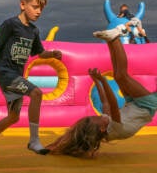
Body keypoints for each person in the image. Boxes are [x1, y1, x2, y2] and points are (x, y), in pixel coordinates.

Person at [46, 28, 157, 158]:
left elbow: (105, 102)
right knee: (121, 76)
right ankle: (115, 38)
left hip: (132, 104)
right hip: (146, 106)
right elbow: (113, 104)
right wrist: (103, 80)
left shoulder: (105, 124)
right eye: (99, 118)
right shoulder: (115, 129)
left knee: (117, 76)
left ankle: (110, 41)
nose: (100, 115)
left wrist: (96, 81)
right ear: (102, 128)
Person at [0, 0, 62, 157]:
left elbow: (39, 53)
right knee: (37, 93)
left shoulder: (33, 31)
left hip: (16, 76)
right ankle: (34, 141)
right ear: (23, 5)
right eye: (35, 7)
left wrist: (52, 54)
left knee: (14, 117)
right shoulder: (10, 24)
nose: (38, 12)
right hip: (5, 73)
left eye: (41, 9)